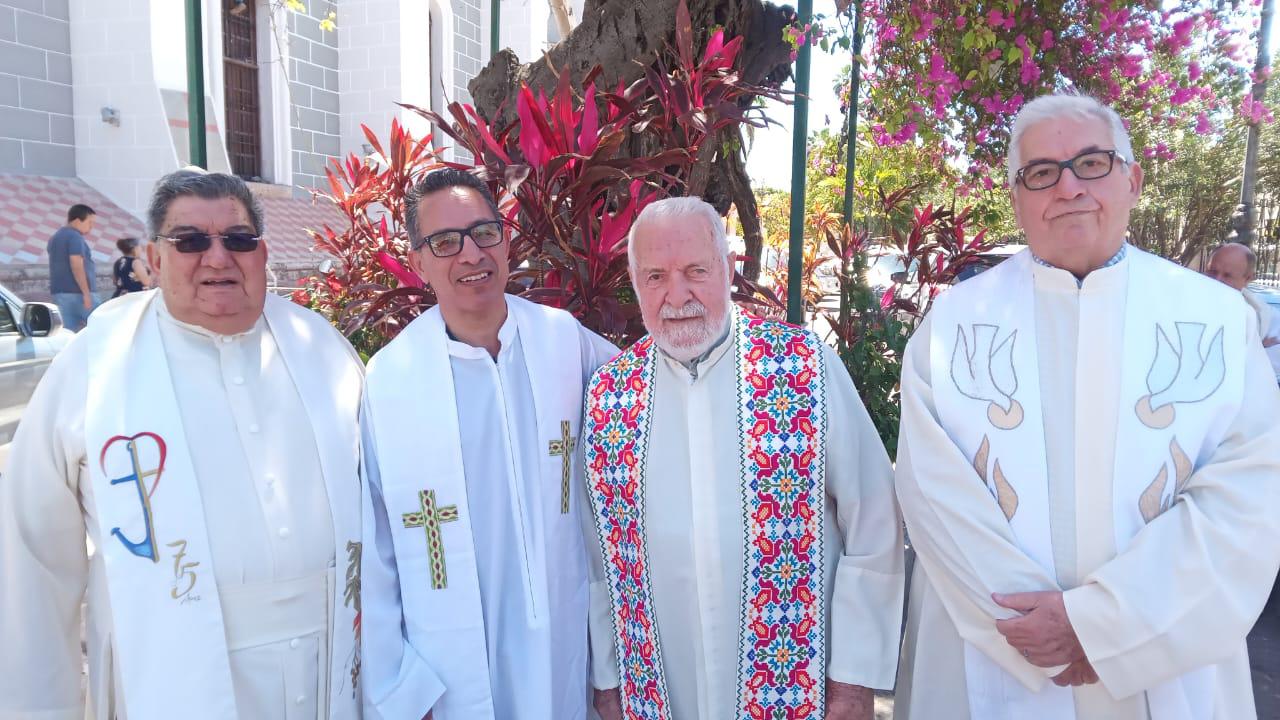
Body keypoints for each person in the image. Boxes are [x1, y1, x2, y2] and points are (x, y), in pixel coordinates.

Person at [894, 93, 1280, 719]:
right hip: (992, 647)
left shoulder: (1217, 320)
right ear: (1018, 198)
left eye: (1092, 163)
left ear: (1133, 179)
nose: (1068, 186)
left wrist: (1105, 628)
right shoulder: (951, 326)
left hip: (1165, 657)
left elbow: (1248, 498)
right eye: (1042, 173)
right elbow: (933, 494)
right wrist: (1033, 630)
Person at [0, 169, 364, 719]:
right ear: (154, 257)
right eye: (190, 241)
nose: (217, 258)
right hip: (171, 671)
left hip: (330, 664)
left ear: (262, 253)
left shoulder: (322, 349)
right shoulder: (95, 366)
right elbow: (33, 557)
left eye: (237, 239)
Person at [584, 197, 904, 720]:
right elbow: (598, 552)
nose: (677, 295)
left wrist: (853, 680)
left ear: (729, 270)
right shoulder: (609, 393)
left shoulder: (803, 367)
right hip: (659, 683)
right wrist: (609, 680)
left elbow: (872, 518)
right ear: (635, 283)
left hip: (795, 681)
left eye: (695, 271)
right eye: (656, 277)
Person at [359, 168, 617, 720]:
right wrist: (399, 685)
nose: (471, 254)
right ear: (419, 260)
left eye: (484, 232)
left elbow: (647, 399)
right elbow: (375, 545)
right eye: (445, 242)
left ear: (506, 238)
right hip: (449, 666)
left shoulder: (564, 342)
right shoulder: (389, 380)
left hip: (564, 645)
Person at [1205, 241, 1280, 382]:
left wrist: (1256, 352)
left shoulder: (1264, 317)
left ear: (1247, 279)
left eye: (1227, 276)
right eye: (1212, 272)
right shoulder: (1186, 298)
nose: (1217, 280)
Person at [47, 203, 99, 331]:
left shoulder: (55, 238)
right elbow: (76, 264)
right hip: (79, 295)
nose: (91, 227)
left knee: (67, 334)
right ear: (77, 221)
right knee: (101, 328)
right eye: (89, 222)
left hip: (60, 294)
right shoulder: (75, 237)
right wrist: (86, 294)